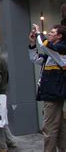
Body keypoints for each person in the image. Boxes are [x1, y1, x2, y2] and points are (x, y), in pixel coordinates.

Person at [28, 24, 66, 152]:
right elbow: (35, 59)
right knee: (59, 127)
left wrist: (39, 33)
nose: (49, 34)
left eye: (52, 32)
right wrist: (33, 44)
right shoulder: (52, 53)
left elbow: (45, 45)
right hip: (52, 94)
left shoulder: (61, 49)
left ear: (60, 36)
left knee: (48, 128)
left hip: (53, 95)